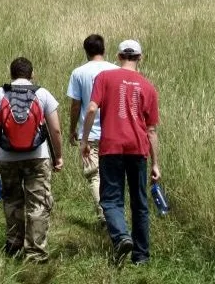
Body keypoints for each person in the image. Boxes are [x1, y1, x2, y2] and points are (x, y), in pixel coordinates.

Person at [81, 40, 160, 266]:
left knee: (111, 199)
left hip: (112, 147)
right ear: (140, 58)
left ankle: (122, 237)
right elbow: (151, 130)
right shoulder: (148, 87)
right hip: (138, 148)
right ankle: (141, 256)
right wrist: (156, 163)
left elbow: (92, 108)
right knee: (140, 202)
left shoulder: (104, 78)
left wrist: (84, 140)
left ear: (118, 56)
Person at [0, 57, 64, 264]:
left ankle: (13, 244)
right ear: (32, 74)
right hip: (37, 157)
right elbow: (55, 129)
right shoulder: (42, 93)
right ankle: (36, 252)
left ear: (11, 74)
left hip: (6, 157)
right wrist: (59, 156)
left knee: (12, 200)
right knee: (38, 204)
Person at [67, 34, 117, 224]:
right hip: (113, 131)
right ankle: (115, 213)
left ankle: (103, 214)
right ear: (104, 49)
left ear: (86, 51)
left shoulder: (79, 72)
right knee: (112, 175)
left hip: (89, 133)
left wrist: (73, 129)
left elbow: (75, 105)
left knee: (94, 175)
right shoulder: (116, 70)